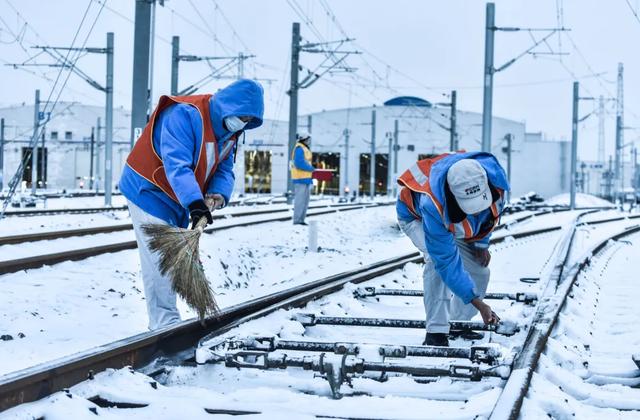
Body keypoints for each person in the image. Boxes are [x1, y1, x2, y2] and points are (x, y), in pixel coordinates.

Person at [120, 79, 264, 330]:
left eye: (250, 120)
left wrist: (217, 194)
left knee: (174, 257)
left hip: (179, 197)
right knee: (160, 258)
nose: (244, 123)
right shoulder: (185, 115)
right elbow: (177, 166)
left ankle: (167, 321)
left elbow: (225, 169)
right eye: (243, 116)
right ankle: (164, 325)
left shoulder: (231, 133)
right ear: (230, 106)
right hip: (148, 189)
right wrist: (196, 203)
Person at [396, 151, 509, 347]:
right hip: (417, 218)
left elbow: (491, 215)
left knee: (479, 271)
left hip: (453, 215)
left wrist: (481, 243)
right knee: (435, 262)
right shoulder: (432, 204)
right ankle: (436, 331)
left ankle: (459, 323)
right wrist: (477, 302)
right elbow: (446, 261)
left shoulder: (496, 179)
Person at [290, 131, 315, 225]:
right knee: (300, 201)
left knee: (305, 201)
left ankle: (301, 220)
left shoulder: (304, 148)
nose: (310, 141)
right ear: (305, 139)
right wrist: (311, 168)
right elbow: (299, 163)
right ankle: (297, 221)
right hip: (300, 178)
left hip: (306, 178)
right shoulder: (299, 148)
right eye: (309, 139)